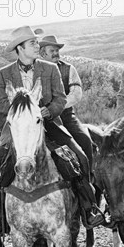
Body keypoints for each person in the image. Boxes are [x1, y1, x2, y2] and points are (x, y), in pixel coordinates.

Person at [0, 26, 105, 237]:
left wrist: (48, 111)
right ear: (20, 48)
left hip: (49, 124)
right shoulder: (5, 74)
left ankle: (89, 207)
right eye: (32, 43)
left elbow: (60, 98)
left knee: (80, 156)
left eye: (35, 42)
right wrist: (24, 110)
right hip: (19, 130)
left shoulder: (50, 69)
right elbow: (1, 103)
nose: (36, 45)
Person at [38, 34, 94, 169]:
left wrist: (54, 107)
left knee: (85, 141)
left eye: (57, 50)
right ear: (42, 53)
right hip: (42, 119)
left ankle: (88, 180)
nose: (56, 53)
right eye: (52, 51)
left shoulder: (68, 68)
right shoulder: (35, 71)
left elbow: (76, 94)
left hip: (66, 117)